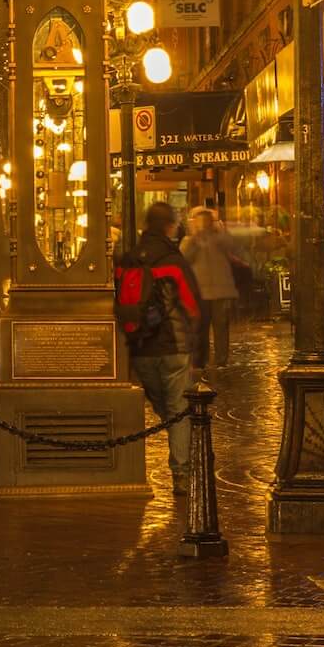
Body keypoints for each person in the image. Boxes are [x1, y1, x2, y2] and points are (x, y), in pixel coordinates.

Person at [115, 201, 200, 495]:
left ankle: (180, 445)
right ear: (169, 226)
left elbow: (119, 303)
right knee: (178, 409)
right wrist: (198, 348)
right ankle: (181, 472)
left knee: (165, 409)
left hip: (140, 348)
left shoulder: (127, 260)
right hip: (173, 347)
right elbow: (191, 305)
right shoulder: (173, 260)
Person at [182, 207, 244, 370]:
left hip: (221, 291)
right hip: (201, 291)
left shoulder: (220, 238)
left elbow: (233, 246)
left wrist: (219, 230)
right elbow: (185, 259)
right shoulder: (190, 240)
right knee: (201, 327)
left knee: (221, 326)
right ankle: (200, 360)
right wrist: (195, 237)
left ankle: (220, 360)